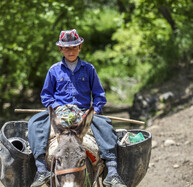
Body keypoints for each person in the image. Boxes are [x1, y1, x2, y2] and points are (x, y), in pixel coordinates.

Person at [28, 29, 126, 187]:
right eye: (66, 48)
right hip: (59, 112)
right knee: (34, 124)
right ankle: (41, 169)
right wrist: (57, 108)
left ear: (80, 47)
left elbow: (99, 96)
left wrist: (92, 112)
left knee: (106, 126)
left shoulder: (89, 69)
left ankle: (112, 171)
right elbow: (46, 96)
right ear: (60, 49)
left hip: (83, 112)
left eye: (74, 47)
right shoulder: (54, 70)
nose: (70, 51)